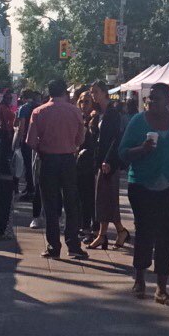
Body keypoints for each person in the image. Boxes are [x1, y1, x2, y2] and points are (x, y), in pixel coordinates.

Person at [119, 82, 169, 306]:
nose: (151, 102)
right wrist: (142, 149)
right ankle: (139, 279)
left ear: (168, 100)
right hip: (142, 184)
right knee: (144, 231)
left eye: (156, 98)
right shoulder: (137, 121)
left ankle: (161, 288)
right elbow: (123, 152)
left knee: (166, 234)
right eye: (149, 98)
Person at [26, 79, 89, 260]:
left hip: (48, 160)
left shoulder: (38, 112)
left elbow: (31, 141)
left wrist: (42, 148)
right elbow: (80, 139)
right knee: (71, 203)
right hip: (68, 160)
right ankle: (73, 245)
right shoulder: (75, 111)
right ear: (64, 92)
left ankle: (53, 246)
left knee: (50, 205)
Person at [89, 82, 130, 249]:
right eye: (92, 92)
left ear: (104, 92)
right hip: (101, 160)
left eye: (96, 92)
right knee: (104, 198)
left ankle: (112, 232)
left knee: (108, 197)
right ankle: (107, 233)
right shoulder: (100, 112)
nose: (93, 95)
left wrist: (108, 160)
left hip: (109, 162)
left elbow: (115, 138)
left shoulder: (112, 113)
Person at [75, 90, 98, 239]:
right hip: (79, 162)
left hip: (90, 162)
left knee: (89, 197)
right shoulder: (79, 117)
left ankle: (90, 228)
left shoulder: (94, 118)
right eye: (82, 101)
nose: (84, 104)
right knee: (80, 196)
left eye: (87, 101)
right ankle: (83, 226)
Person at [14, 89, 41, 217]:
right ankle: (32, 188)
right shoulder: (39, 107)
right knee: (34, 166)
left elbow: (22, 127)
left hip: (27, 140)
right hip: (38, 140)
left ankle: (30, 189)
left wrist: (18, 141)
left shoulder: (23, 108)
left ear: (23, 97)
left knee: (27, 165)